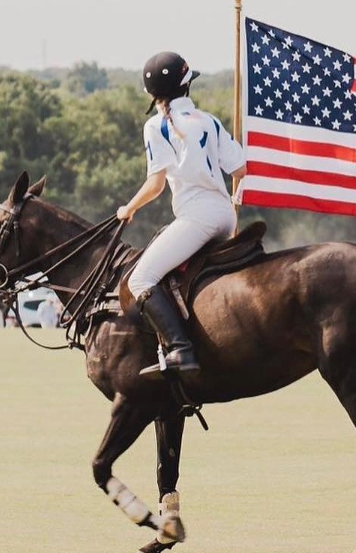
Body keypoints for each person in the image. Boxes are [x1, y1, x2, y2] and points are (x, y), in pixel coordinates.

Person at [117, 51, 246, 380]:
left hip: (197, 220)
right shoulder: (209, 120)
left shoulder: (156, 125)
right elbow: (241, 168)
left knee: (140, 279)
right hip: (224, 215)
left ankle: (180, 349)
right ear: (186, 86)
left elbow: (156, 185)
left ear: (152, 95)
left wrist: (128, 209)